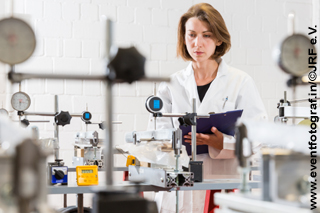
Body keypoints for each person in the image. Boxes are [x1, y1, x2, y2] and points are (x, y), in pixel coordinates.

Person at [147, 3, 267, 213]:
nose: (197, 43)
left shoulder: (240, 82)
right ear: (184, 38)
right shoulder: (170, 85)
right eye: (191, 35)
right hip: (178, 192)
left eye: (206, 35)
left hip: (222, 187)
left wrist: (224, 143)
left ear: (219, 39)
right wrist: (171, 144)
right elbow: (155, 138)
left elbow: (259, 137)